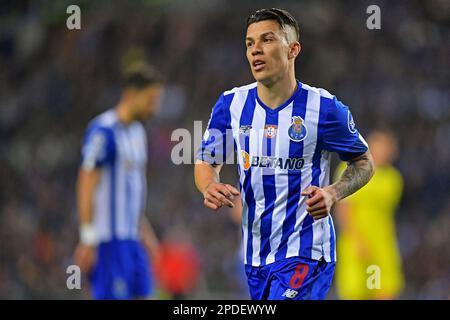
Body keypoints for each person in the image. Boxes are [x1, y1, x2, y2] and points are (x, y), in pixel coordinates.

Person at [194, 8, 374, 300]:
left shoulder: (325, 108)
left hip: (306, 251)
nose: (256, 50)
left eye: (267, 40)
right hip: (255, 257)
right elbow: (206, 160)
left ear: (293, 49)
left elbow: (364, 162)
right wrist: (208, 185)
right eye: (250, 43)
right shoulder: (231, 105)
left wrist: (333, 193)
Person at [73, 63, 163, 299]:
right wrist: (87, 238)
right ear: (132, 95)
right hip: (108, 242)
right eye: (151, 99)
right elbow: (86, 182)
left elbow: (132, 192)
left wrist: (146, 233)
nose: (155, 107)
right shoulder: (103, 131)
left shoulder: (138, 133)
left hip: (133, 240)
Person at [334, 130, 404, 299]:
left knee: (384, 290)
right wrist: (356, 239)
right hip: (356, 243)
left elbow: (388, 214)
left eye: (388, 148)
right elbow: (343, 208)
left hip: (382, 244)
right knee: (355, 292)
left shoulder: (393, 179)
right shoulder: (350, 169)